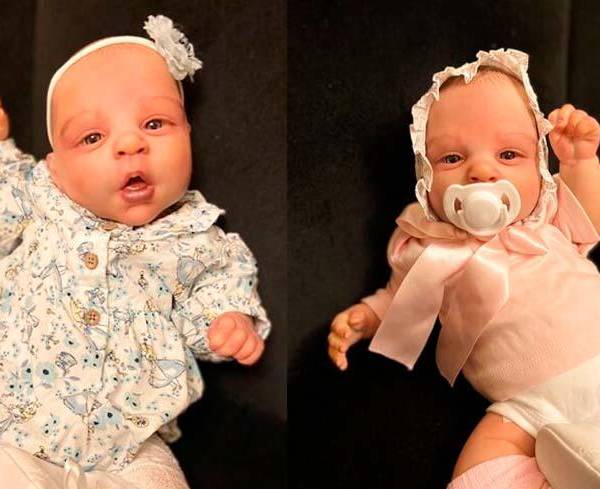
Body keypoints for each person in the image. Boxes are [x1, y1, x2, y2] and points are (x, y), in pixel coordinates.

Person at [0, 14, 270, 488]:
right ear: (56, 167)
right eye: (92, 137)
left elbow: (217, 288)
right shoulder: (40, 195)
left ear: (188, 133)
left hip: (132, 441)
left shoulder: (196, 236)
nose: (130, 144)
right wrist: (2, 149)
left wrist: (228, 321)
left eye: (154, 123)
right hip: (15, 421)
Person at [328, 49, 600, 488]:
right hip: (527, 410)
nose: (481, 171)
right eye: (452, 159)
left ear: (538, 165)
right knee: (478, 465)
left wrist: (580, 162)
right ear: (424, 175)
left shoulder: (545, 216)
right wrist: (366, 317)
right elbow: (400, 299)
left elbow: (591, 219)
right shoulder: (427, 247)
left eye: (508, 154)